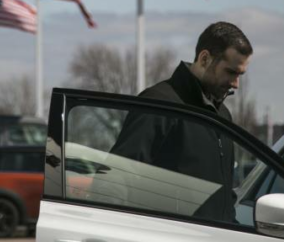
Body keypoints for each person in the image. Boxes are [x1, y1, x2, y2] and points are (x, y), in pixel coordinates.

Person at [108, 21, 253, 223]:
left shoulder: (223, 116)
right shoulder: (159, 103)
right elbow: (116, 178)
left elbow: (225, 199)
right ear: (204, 58)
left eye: (240, 75)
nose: (236, 84)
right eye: (231, 72)